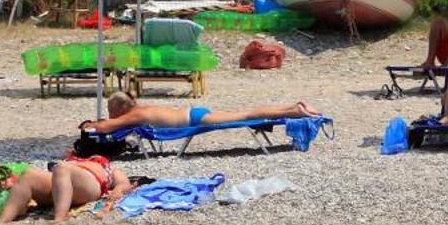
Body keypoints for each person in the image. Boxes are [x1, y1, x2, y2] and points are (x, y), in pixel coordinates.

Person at [78, 92, 319, 135]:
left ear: (120, 108)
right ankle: (292, 108)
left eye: (112, 111)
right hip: (194, 113)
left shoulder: (132, 116)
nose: (110, 115)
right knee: (245, 113)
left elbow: (106, 127)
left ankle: (295, 110)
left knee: (247, 115)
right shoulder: (140, 109)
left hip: (196, 119)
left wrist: (92, 125)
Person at [0, 156, 133, 224]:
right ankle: (2, 222)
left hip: (90, 184)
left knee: (62, 168)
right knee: (29, 174)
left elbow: (125, 183)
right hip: (61, 184)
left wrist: (117, 190)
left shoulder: (108, 167)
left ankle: (59, 219)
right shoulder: (74, 161)